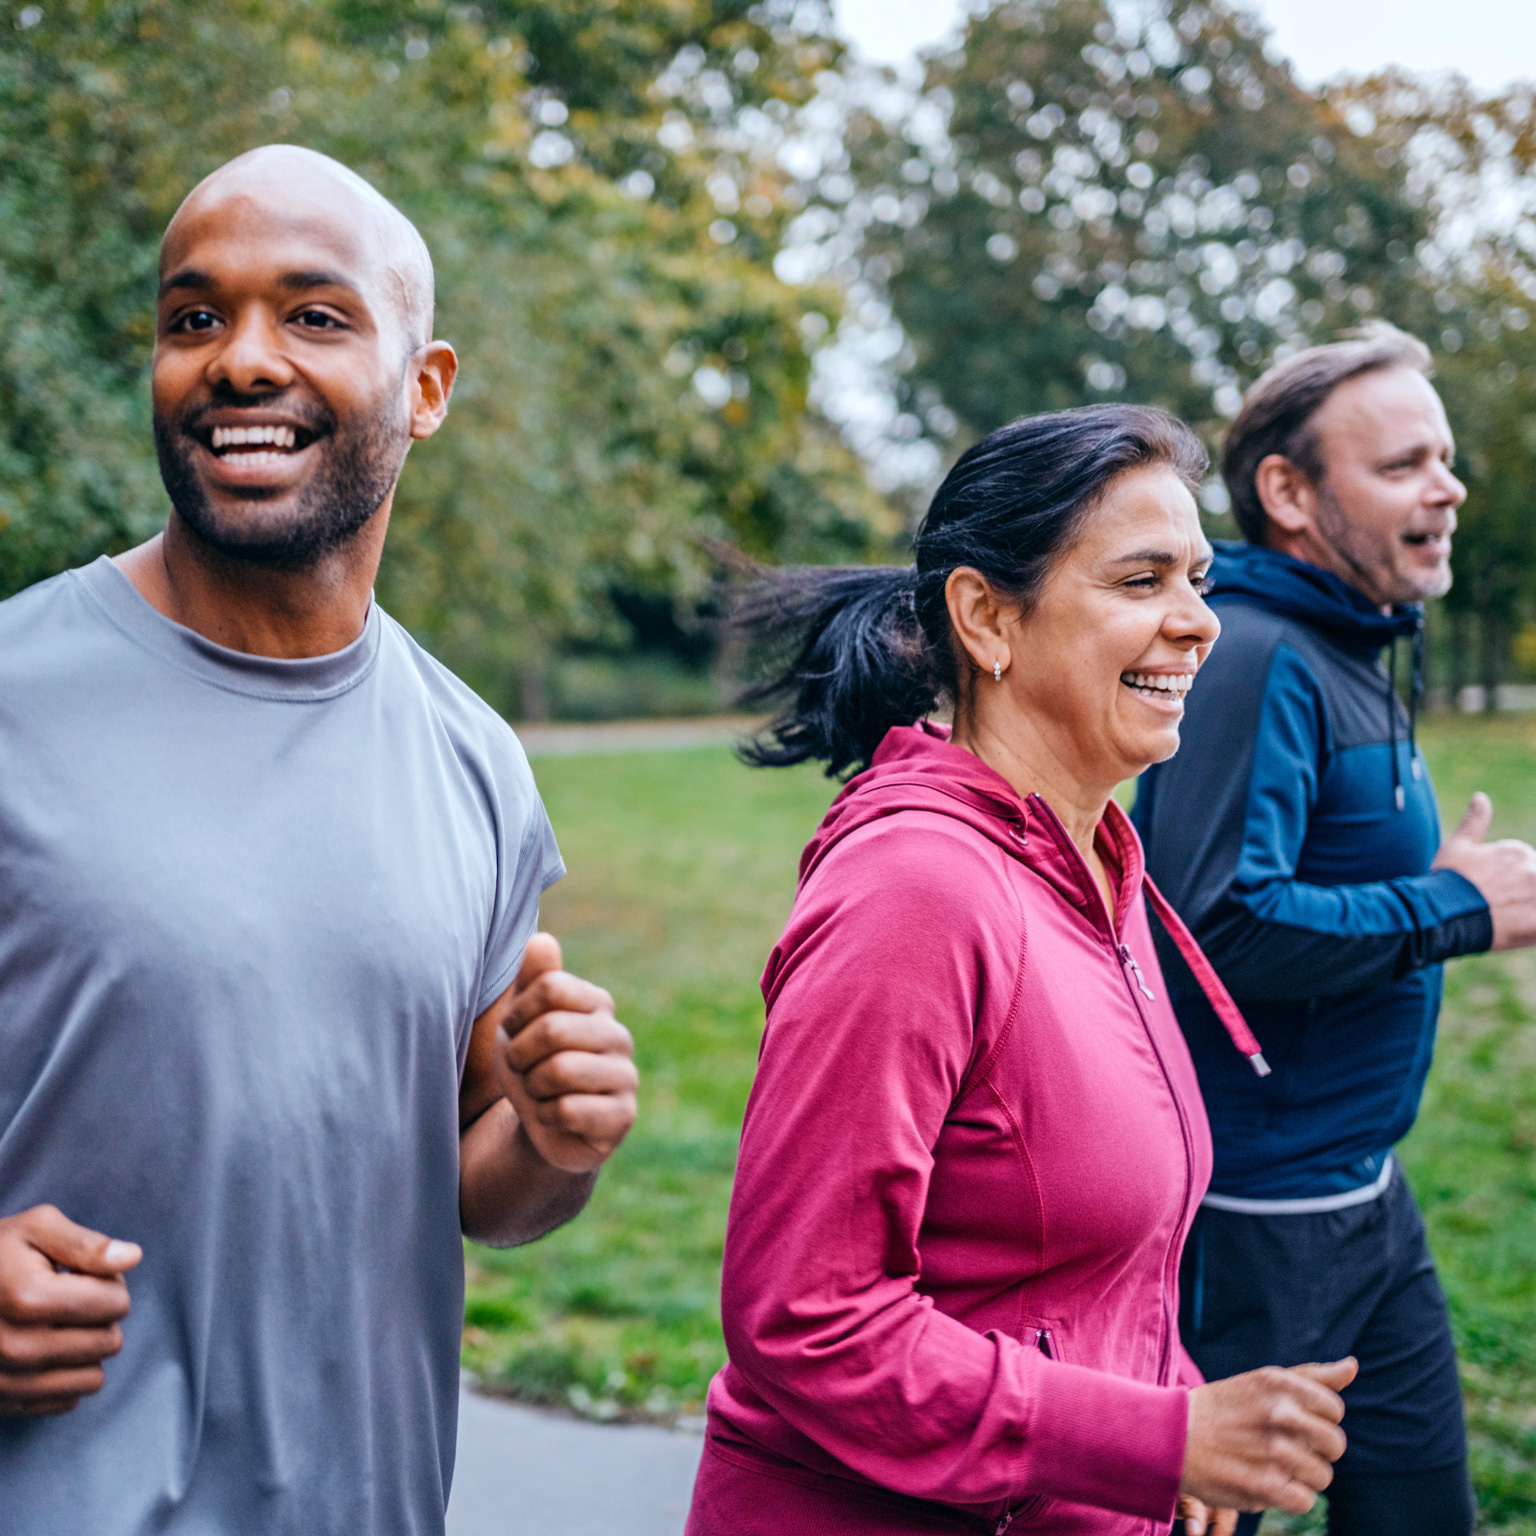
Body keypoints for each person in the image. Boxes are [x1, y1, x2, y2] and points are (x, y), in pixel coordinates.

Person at [0, 146, 638, 1534]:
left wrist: (558, 1137)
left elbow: (477, 1180)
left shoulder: (473, 757)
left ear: (427, 387)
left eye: (314, 314)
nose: (240, 359)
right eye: (193, 316)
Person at [687, 405, 1357, 1536]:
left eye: (1196, 579)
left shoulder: (1101, 862)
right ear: (988, 619)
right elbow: (807, 1316)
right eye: (1142, 580)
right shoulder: (918, 893)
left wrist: (1172, 1404)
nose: (1198, 623)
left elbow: (1077, 1271)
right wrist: (1152, 1441)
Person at [1134, 323, 1536, 1535]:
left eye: (1446, 457)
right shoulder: (1257, 655)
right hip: (1258, 1221)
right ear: (1289, 494)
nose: (1448, 486)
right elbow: (1211, 931)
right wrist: (1454, 905)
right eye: (1405, 463)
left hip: (1369, 1195)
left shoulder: (1355, 647)